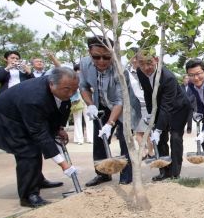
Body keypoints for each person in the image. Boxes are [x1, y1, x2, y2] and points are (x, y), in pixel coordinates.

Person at [0, 67, 81, 207]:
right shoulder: (34, 98)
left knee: (34, 147)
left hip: (21, 115)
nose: (71, 93)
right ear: (51, 84)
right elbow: (40, 134)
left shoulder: (58, 89)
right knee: (27, 150)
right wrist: (63, 164)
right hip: (2, 117)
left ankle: (37, 180)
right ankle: (28, 195)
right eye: (67, 89)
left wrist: (58, 129)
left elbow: (61, 108)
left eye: (75, 89)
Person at [79, 35, 141, 186]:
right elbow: (84, 86)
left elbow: (120, 100)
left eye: (106, 57)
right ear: (89, 53)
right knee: (99, 140)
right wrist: (90, 104)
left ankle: (126, 176)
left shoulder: (120, 70)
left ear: (112, 54)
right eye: (96, 56)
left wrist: (110, 123)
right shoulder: (85, 64)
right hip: (100, 105)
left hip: (124, 107)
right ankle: (103, 173)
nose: (101, 61)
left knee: (124, 139)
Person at [136, 51, 191, 181]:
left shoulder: (168, 77)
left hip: (179, 107)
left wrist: (158, 129)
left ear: (156, 60)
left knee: (175, 138)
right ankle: (164, 171)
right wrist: (151, 116)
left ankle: (175, 173)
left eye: (149, 63)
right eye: (141, 63)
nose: (146, 67)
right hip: (161, 107)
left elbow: (167, 106)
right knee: (160, 140)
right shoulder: (140, 72)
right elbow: (148, 95)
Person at [128, 49, 154, 159]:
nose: (134, 60)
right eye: (132, 58)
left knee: (149, 129)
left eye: (136, 58)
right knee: (139, 130)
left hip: (147, 102)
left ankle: (151, 151)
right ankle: (142, 151)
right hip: (136, 103)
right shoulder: (127, 73)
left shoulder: (146, 70)